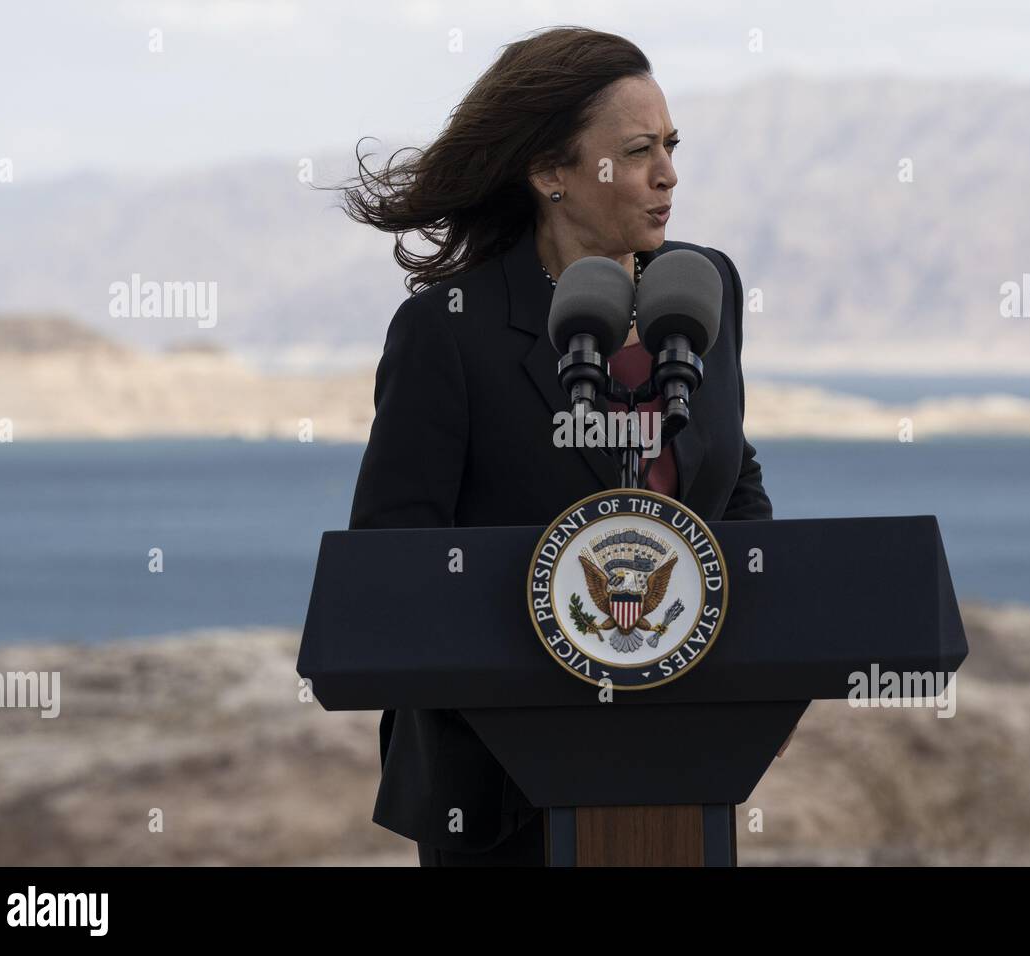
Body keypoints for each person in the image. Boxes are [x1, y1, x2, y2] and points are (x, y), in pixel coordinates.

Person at [334, 26, 783, 867]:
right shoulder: (449, 331)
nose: (669, 175)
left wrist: (760, 660)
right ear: (550, 173)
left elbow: (734, 480)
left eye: (672, 147)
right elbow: (394, 564)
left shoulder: (704, 287)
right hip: (498, 796)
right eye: (639, 150)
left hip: (684, 766)